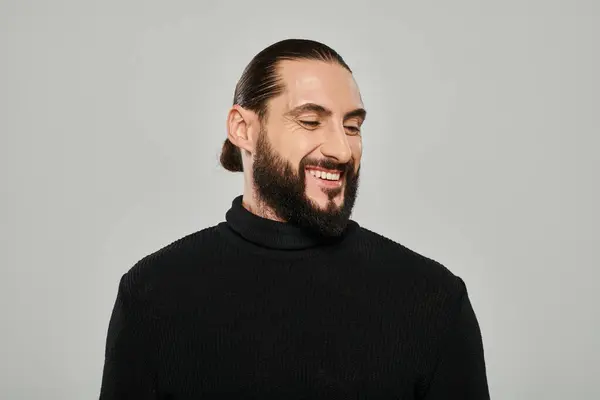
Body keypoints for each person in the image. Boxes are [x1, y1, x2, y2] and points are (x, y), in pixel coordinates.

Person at [99, 38, 490, 399]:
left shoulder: (433, 297)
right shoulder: (152, 293)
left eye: (352, 126)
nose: (341, 149)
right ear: (243, 129)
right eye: (310, 121)